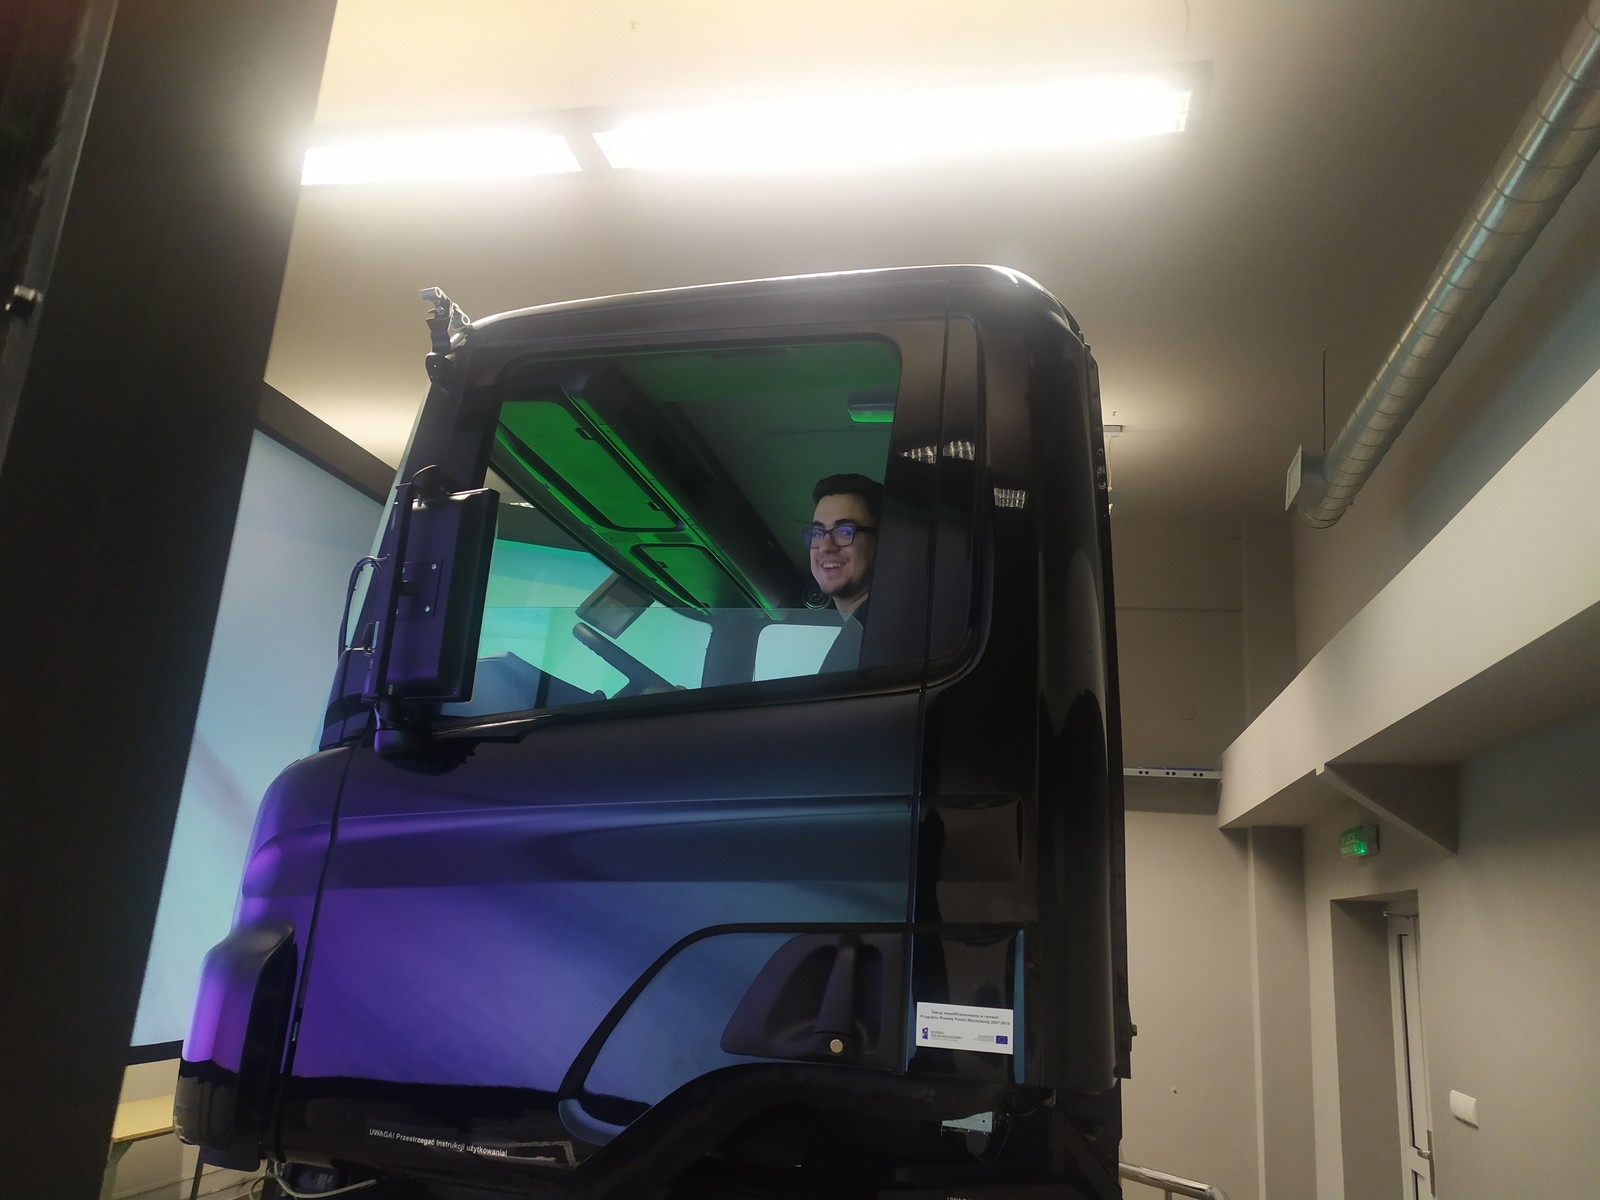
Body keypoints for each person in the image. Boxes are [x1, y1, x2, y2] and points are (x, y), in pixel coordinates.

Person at [805, 474, 879, 672]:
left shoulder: (879, 632)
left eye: (845, 531)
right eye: (817, 533)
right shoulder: (857, 632)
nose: (825, 547)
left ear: (881, 540)